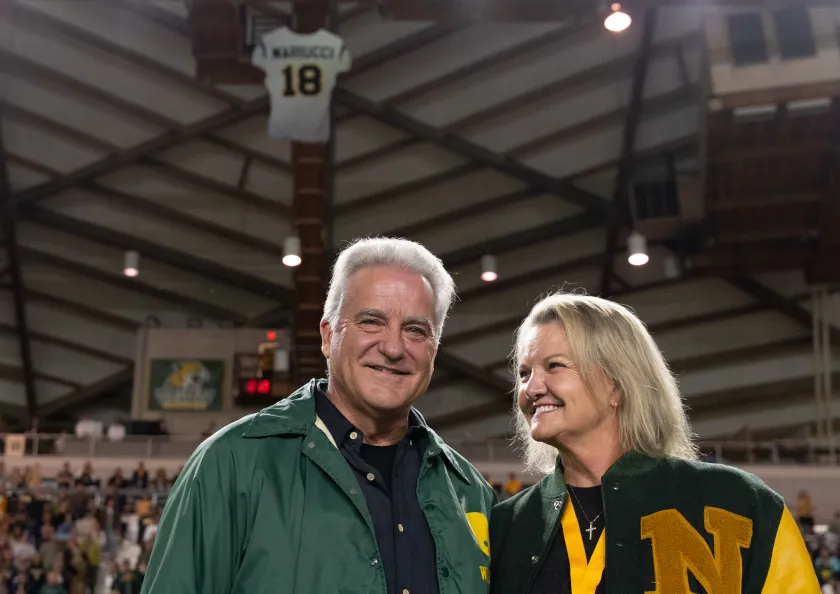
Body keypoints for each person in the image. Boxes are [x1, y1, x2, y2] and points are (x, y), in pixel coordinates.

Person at [141, 237, 496, 594]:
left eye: (415, 330)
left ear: (434, 350)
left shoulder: (471, 492)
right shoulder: (230, 465)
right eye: (371, 322)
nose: (393, 348)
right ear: (328, 337)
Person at [490, 292, 819, 594]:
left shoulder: (740, 503)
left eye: (554, 366)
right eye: (523, 373)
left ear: (617, 384)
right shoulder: (506, 527)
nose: (531, 389)